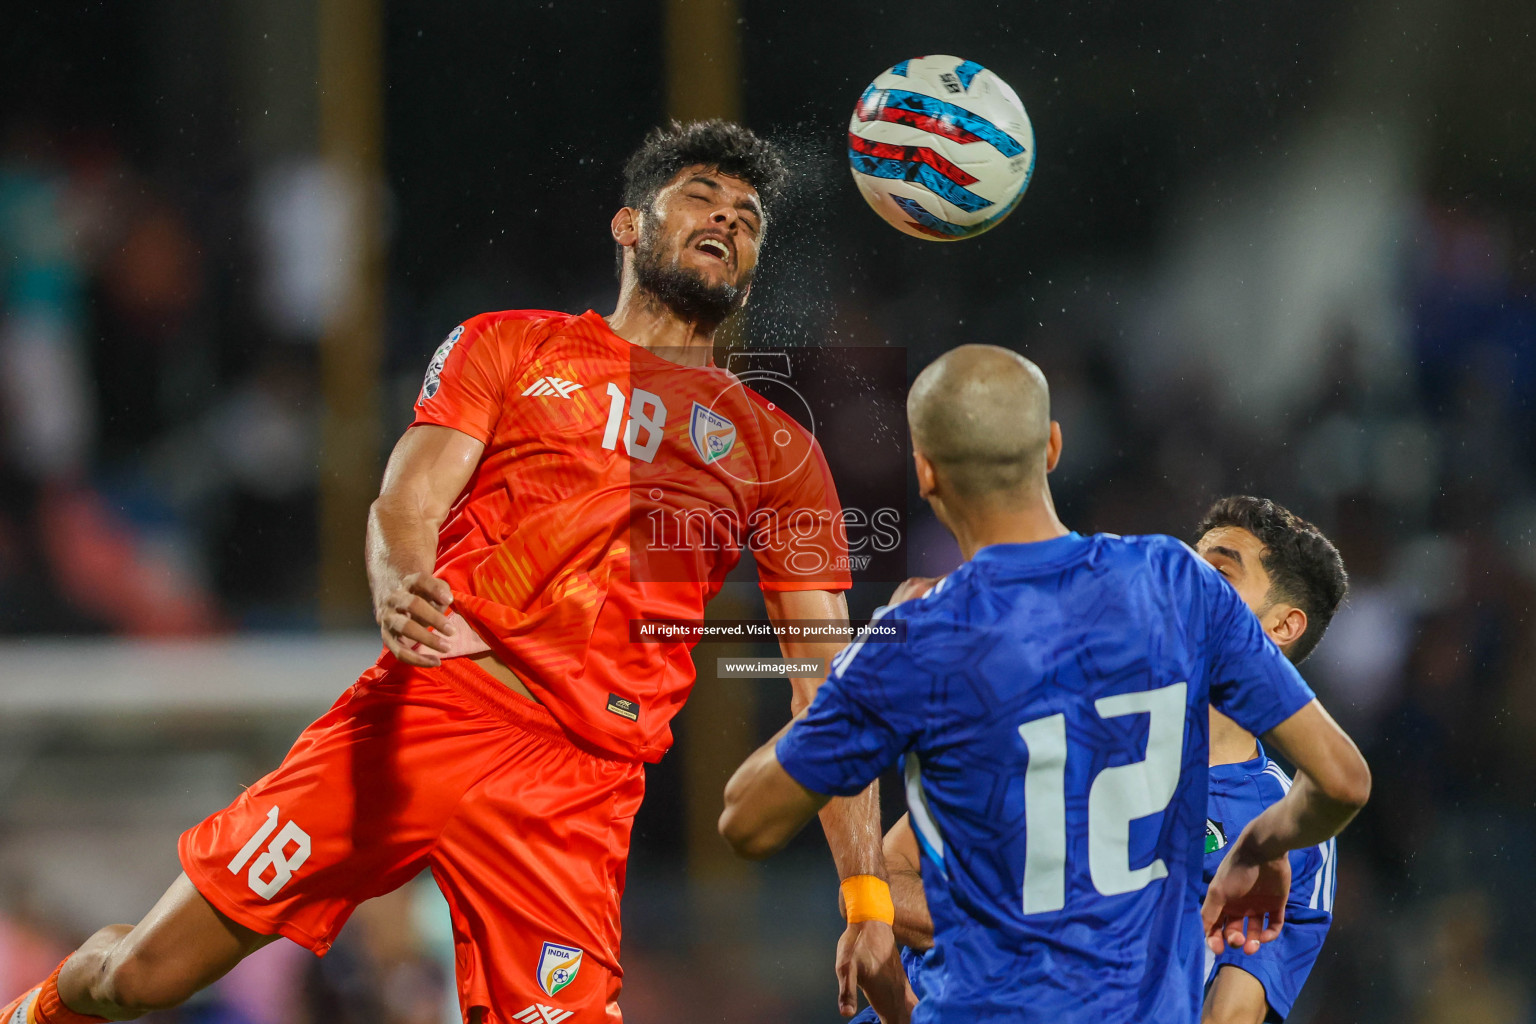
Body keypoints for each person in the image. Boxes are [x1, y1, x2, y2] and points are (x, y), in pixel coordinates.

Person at [2, 120, 904, 1024]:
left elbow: (827, 687)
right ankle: (37, 1010)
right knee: (143, 979)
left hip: (573, 791)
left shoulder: (774, 451)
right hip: (428, 713)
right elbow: (407, 499)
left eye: (747, 216)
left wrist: (865, 896)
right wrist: (397, 575)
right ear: (629, 226)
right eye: (702, 199)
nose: (728, 222)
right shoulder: (510, 346)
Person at [717, 345, 1372, 1024]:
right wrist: (1262, 847)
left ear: (925, 474)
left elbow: (747, 820)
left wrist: (857, 675)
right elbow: (1344, 780)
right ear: (1053, 447)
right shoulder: (1170, 586)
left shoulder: (934, 638)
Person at [851, 494, 1350, 1024]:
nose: (1183, 587)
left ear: (1281, 627)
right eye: (1185, 567)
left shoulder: (1289, 827)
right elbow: (885, 870)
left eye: (1218, 576)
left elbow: (1226, 1018)